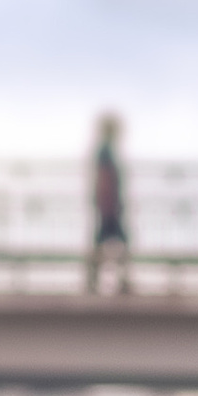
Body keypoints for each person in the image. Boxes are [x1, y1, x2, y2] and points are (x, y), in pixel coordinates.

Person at [86, 112, 130, 293]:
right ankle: (120, 281)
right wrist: (110, 204)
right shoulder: (106, 151)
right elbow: (105, 179)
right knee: (121, 241)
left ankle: (94, 280)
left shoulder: (104, 150)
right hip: (109, 206)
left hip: (107, 205)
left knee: (103, 242)